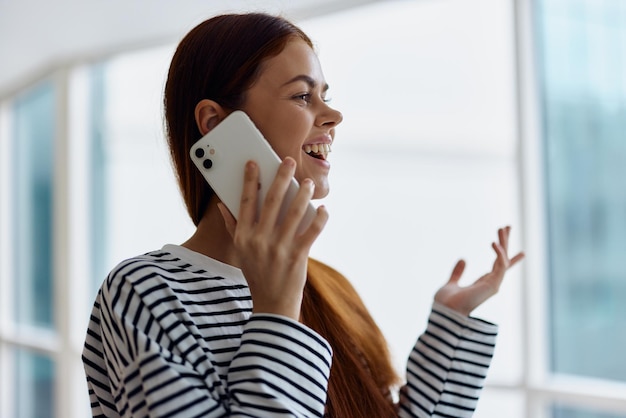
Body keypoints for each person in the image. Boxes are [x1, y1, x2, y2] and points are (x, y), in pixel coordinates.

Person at [82, 12, 524, 418]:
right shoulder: (146, 294)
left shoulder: (331, 288)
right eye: (302, 95)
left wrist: (451, 328)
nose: (333, 115)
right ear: (216, 125)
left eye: (325, 96)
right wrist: (275, 312)